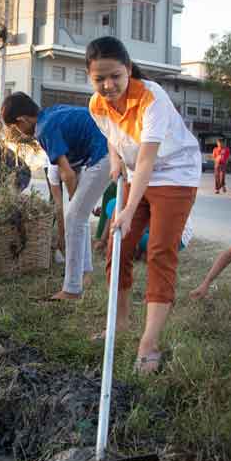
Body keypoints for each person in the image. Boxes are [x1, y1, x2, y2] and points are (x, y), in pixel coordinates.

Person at [86, 36, 202, 374]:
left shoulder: (152, 98)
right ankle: (118, 323)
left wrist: (125, 209)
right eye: (99, 78)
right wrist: (114, 159)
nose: (108, 85)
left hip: (174, 174)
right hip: (136, 173)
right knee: (116, 247)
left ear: (128, 70)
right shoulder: (96, 104)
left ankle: (149, 343)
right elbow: (112, 134)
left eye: (116, 76)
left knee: (160, 253)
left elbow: (149, 162)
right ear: (91, 78)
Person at [2, 92, 110, 300]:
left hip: (103, 153)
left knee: (74, 217)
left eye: (16, 127)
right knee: (78, 216)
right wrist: (77, 203)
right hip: (105, 149)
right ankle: (83, 272)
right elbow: (70, 170)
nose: (20, 132)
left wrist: (75, 200)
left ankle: (71, 289)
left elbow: (67, 174)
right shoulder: (51, 114)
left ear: (22, 120)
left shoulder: (43, 130)